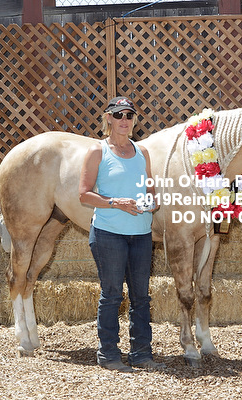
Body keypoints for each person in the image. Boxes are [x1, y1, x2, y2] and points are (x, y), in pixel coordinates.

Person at [79, 96, 164, 372]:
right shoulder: (98, 151)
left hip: (141, 234)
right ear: (108, 118)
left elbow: (150, 189)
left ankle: (141, 354)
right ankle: (108, 355)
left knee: (141, 297)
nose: (124, 120)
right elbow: (84, 194)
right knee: (112, 295)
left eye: (128, 115)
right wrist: (116, 202)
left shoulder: (142, 153)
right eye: (118, 115)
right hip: (109, 234)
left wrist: (153, 202)